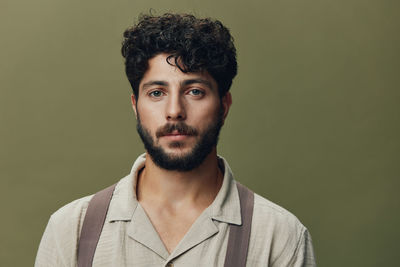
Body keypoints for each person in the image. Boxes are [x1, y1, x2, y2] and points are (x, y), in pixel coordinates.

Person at [35, 13, 316, 267]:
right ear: (136, 105)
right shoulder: (70, 229)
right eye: (157, 93)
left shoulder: (280, 237)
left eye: (194, 91)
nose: (174, 112)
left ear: (224, 105)